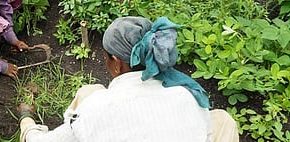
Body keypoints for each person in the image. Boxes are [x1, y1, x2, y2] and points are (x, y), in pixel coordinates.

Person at [18, 16, 240, 142]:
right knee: (221, 119)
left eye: (105, 58)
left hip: (87, 121)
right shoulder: (186, 96)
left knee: (90, 92)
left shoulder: (95, 108)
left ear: (116, 62)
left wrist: (27, 121)